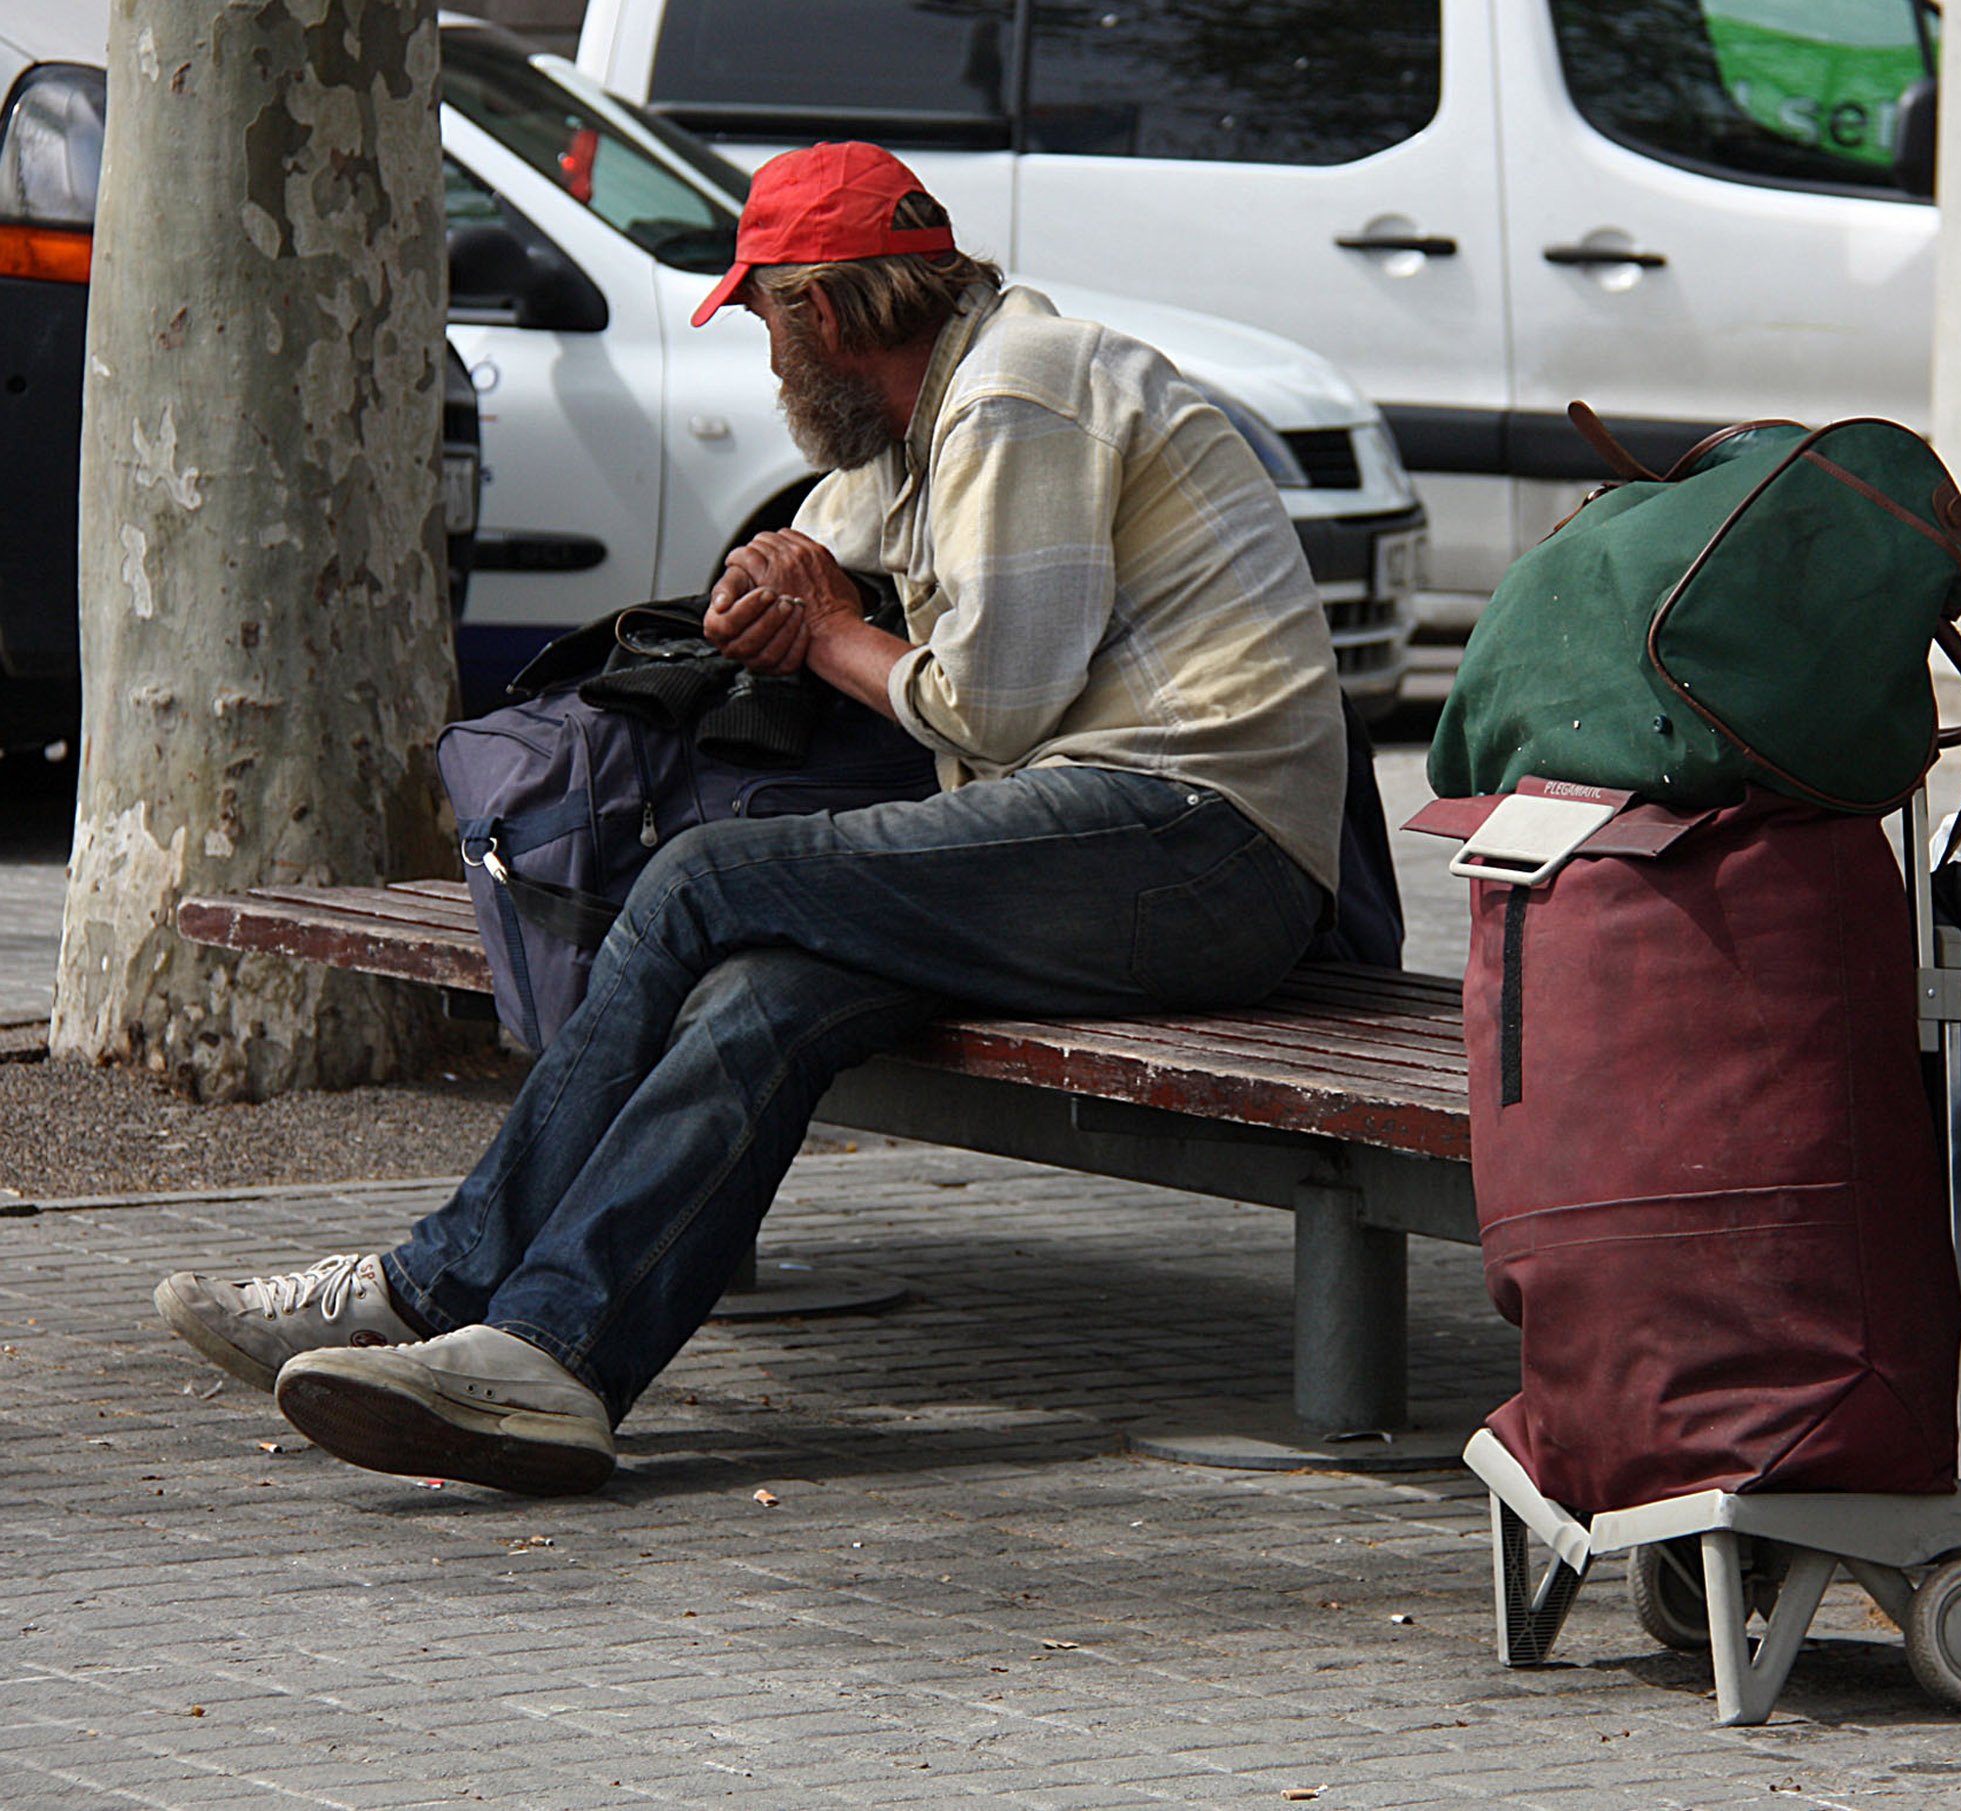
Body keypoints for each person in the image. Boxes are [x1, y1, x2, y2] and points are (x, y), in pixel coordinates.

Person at [151, 143, 1345, 1496]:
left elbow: (993, 708)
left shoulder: (1023, 392)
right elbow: (816, 547)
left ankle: (434, 1282)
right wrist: (778, 575)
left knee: (708, 875)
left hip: (1192, 849)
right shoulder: (939, 408)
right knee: (763, 997)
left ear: (823, 313)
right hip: (1097, 852)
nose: (773, 362)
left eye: (768, 320)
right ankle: (552, 1361)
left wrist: (829, 628)